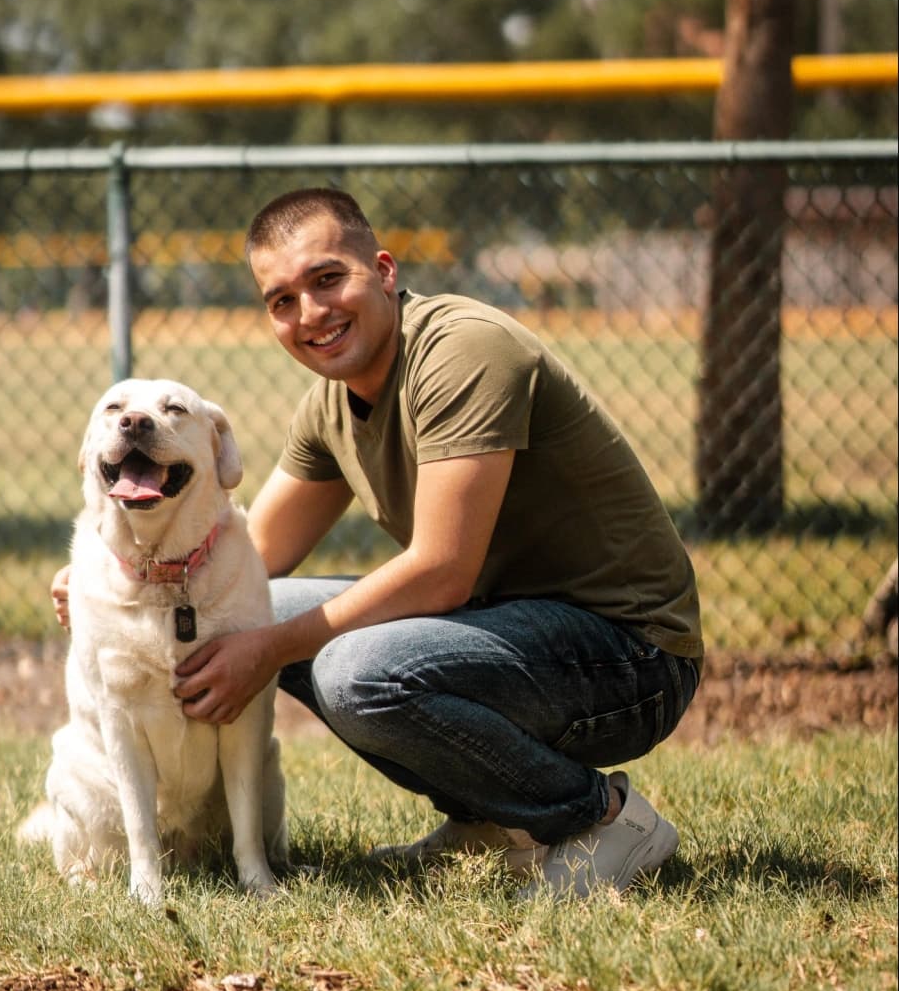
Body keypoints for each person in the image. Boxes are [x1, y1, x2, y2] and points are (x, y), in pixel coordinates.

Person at [51, 186, 703, 899]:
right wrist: (121, 578)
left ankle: (601, 818)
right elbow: (250, 558)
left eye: (329, 279)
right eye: (282, 300)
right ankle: (493, 814)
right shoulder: (332, 401)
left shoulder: (463, 351)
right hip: (510, 638)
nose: (311, 314)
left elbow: (443, 572)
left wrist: (269, 647)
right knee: (266, 609)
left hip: (632, 655)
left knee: (355, 670)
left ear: (385, 271)